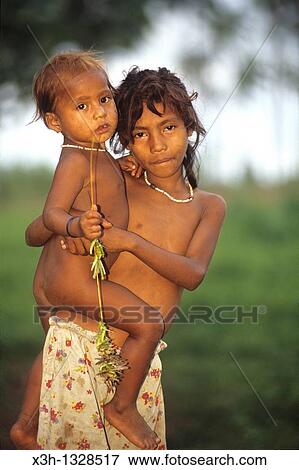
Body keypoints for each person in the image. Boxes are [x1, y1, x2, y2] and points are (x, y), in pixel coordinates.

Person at [11, 65, 227, 450]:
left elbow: (193, 274)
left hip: (137, 370)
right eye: (140, 133)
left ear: (190, 125)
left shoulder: (208, 206)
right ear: (125, 138)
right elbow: (39, 229)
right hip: (82, 349)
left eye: (169, 128)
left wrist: (128, 242)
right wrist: (69, 228)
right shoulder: (114, 181)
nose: (157, 145)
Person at [11, 50, 166, 450]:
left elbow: (45, 223)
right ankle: (122, 407)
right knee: (148, 323)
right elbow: (51, 213)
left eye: (103, 99)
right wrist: (75, 224)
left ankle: (26, 426)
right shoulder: (75, 160)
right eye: (82, 106)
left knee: (52, 351)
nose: (99, 113)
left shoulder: (97, 156)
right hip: (70, 277)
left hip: (51, 278)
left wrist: (125, 165)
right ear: (55, 121)